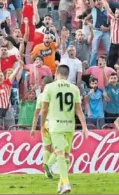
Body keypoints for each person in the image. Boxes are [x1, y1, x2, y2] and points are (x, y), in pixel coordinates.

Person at [40, 65, 88, 194]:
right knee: (66, 155)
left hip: (56, 125)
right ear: (68, 74)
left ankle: (66, 183)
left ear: (56, 73)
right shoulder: (74, 88)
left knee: (59, 153)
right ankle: (61, 184)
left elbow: (44, 109)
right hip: (69, 125)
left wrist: (43, 124)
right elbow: (79, 110)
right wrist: (84, 126)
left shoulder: (49, 87)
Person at [30, 75, 55, 179]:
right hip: (55, 124)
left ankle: (46, 171)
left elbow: (36, 113)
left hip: (44, 124)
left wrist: (33, 128)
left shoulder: (40, 96)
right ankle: (48, 165)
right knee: (59, 149)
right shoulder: (55, 95)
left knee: (46, 147)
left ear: (43, 84)